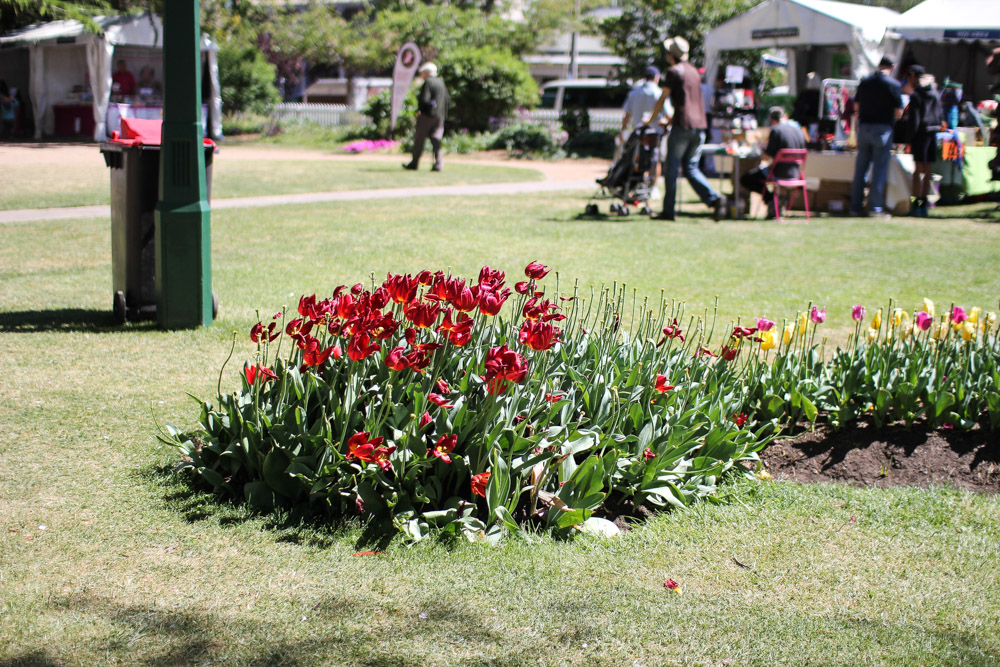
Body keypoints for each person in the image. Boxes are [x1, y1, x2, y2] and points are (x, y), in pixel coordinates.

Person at [646, 36, 726, 221]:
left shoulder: (674, 72)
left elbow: (663, 99)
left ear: (670, 54)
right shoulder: (694, 72)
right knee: (691, 167)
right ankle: (713, 200)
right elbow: (688, 102)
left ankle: (668, 211)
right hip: (699, 126)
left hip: (682, 125)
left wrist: (651, 119)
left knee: (672, 169)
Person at [849, 56, 903, 218]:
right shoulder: (893, 84)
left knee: (861, 169)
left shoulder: (865, 82)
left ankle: (855, 207)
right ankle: (875, 208)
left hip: (864, 127)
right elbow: (899, 111)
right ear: (892, 67)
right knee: (879, 170)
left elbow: (856, 106)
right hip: (882, 129)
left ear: (879, 64)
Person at [739, 106, 807, 219]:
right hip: (796, 172)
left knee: (747, 179)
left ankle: (772, 200)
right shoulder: (798, 130)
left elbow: (766, 157)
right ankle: (777, 202)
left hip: (779, 172)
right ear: (785, 116)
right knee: (759, 175)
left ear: (771, 119)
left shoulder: (776, 130)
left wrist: (760, 148)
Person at [904, 65, 943, 217]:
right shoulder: (935, 93)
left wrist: (908, 139)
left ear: (914, 76)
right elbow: (940, 115)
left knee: (917, 170)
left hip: (920, 134)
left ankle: (916, 203)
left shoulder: (916, 96)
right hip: (932, 133)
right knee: (927, 171)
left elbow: (914, 120)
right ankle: (924, 203)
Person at [402, 62, 450, 172]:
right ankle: (438, 163)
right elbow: (447, 100)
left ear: (426, 72)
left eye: (422, 73)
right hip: (439, 116)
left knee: (419, 139)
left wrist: (421, 111)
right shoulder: (441, 83)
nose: (421, 75)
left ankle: (414, 163)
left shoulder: (428, 82)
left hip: (427, 115)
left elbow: (424, 99)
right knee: (436, 140)